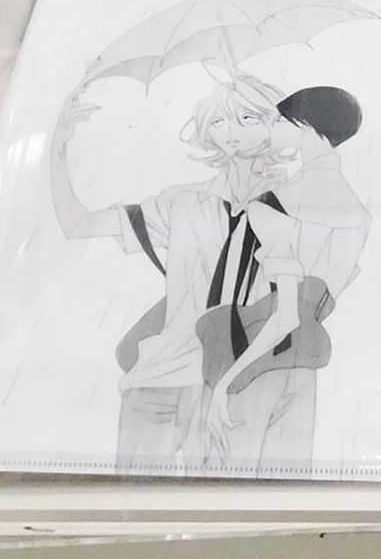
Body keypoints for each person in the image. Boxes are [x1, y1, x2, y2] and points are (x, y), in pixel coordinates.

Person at [48, 72, 287, 470]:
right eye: (218, 121)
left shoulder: (292, 206)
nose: (231, 131)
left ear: (273, 124)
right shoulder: (181, 202)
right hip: (158, 376)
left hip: (233, 385)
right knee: (133, 494)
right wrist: (56, 150)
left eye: (247, 118)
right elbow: (78, 225)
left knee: (217, 499)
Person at [202, 86, 370, 471]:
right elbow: (317, 301)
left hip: (253, 362)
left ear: (306, 127)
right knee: (288, 483)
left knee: (228, 483)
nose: (272, 129)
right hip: (303, 371)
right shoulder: (358, 213)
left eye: (280, 121)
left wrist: (225, 384)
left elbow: (285, 315)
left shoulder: (275, 203)